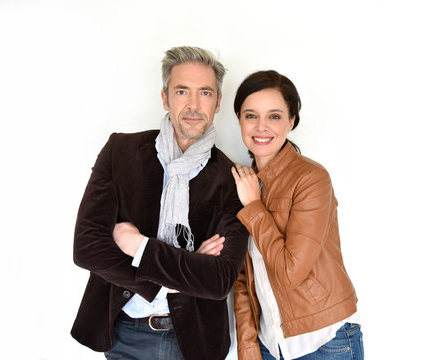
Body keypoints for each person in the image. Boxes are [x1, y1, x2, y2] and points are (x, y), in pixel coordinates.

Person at [71, 46, 249, 360]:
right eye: (182, 91)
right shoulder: (120, 151)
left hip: (191, 341)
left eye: (205, 93)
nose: (193, 105)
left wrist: (138, 245)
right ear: (165, 98)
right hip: (122, 333)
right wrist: (182, 270)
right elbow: (87, 247)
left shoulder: (232, 180)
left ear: (218, 101)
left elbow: (219, 280)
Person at [230, 70, 364, 360]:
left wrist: (253, 206)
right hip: (270, 345)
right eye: (251, 116)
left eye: (274, 116)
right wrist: (248, 345)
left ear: (291, 121)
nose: (261, 127)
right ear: (239, 119)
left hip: (325, 341)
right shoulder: (242, 181)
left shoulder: (311, 179)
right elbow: (242, 275)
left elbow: (290, 273)